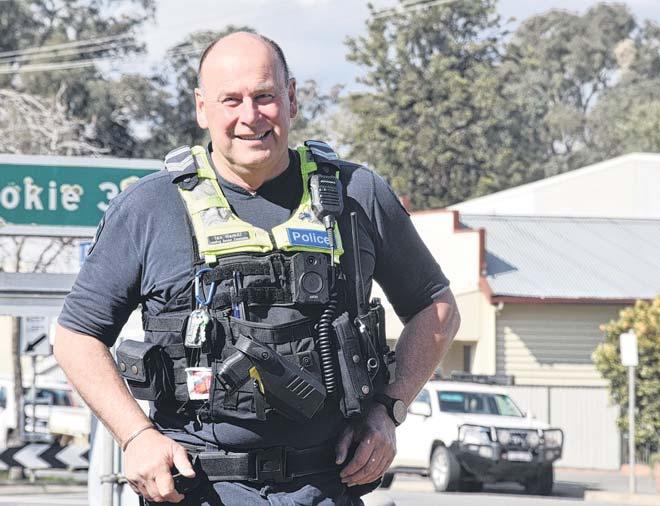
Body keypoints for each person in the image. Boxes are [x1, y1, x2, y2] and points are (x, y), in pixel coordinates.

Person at [54, 32, 460, 505]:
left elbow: (437, 309)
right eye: (231, 100)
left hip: (326, 486)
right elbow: (76, 336)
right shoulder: (150, 207)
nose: (250, 116)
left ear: (292, 98)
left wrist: (389, 409)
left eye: (264, 96)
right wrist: (136, 435)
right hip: (196, 488)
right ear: (202, 108)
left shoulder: (357, 195)